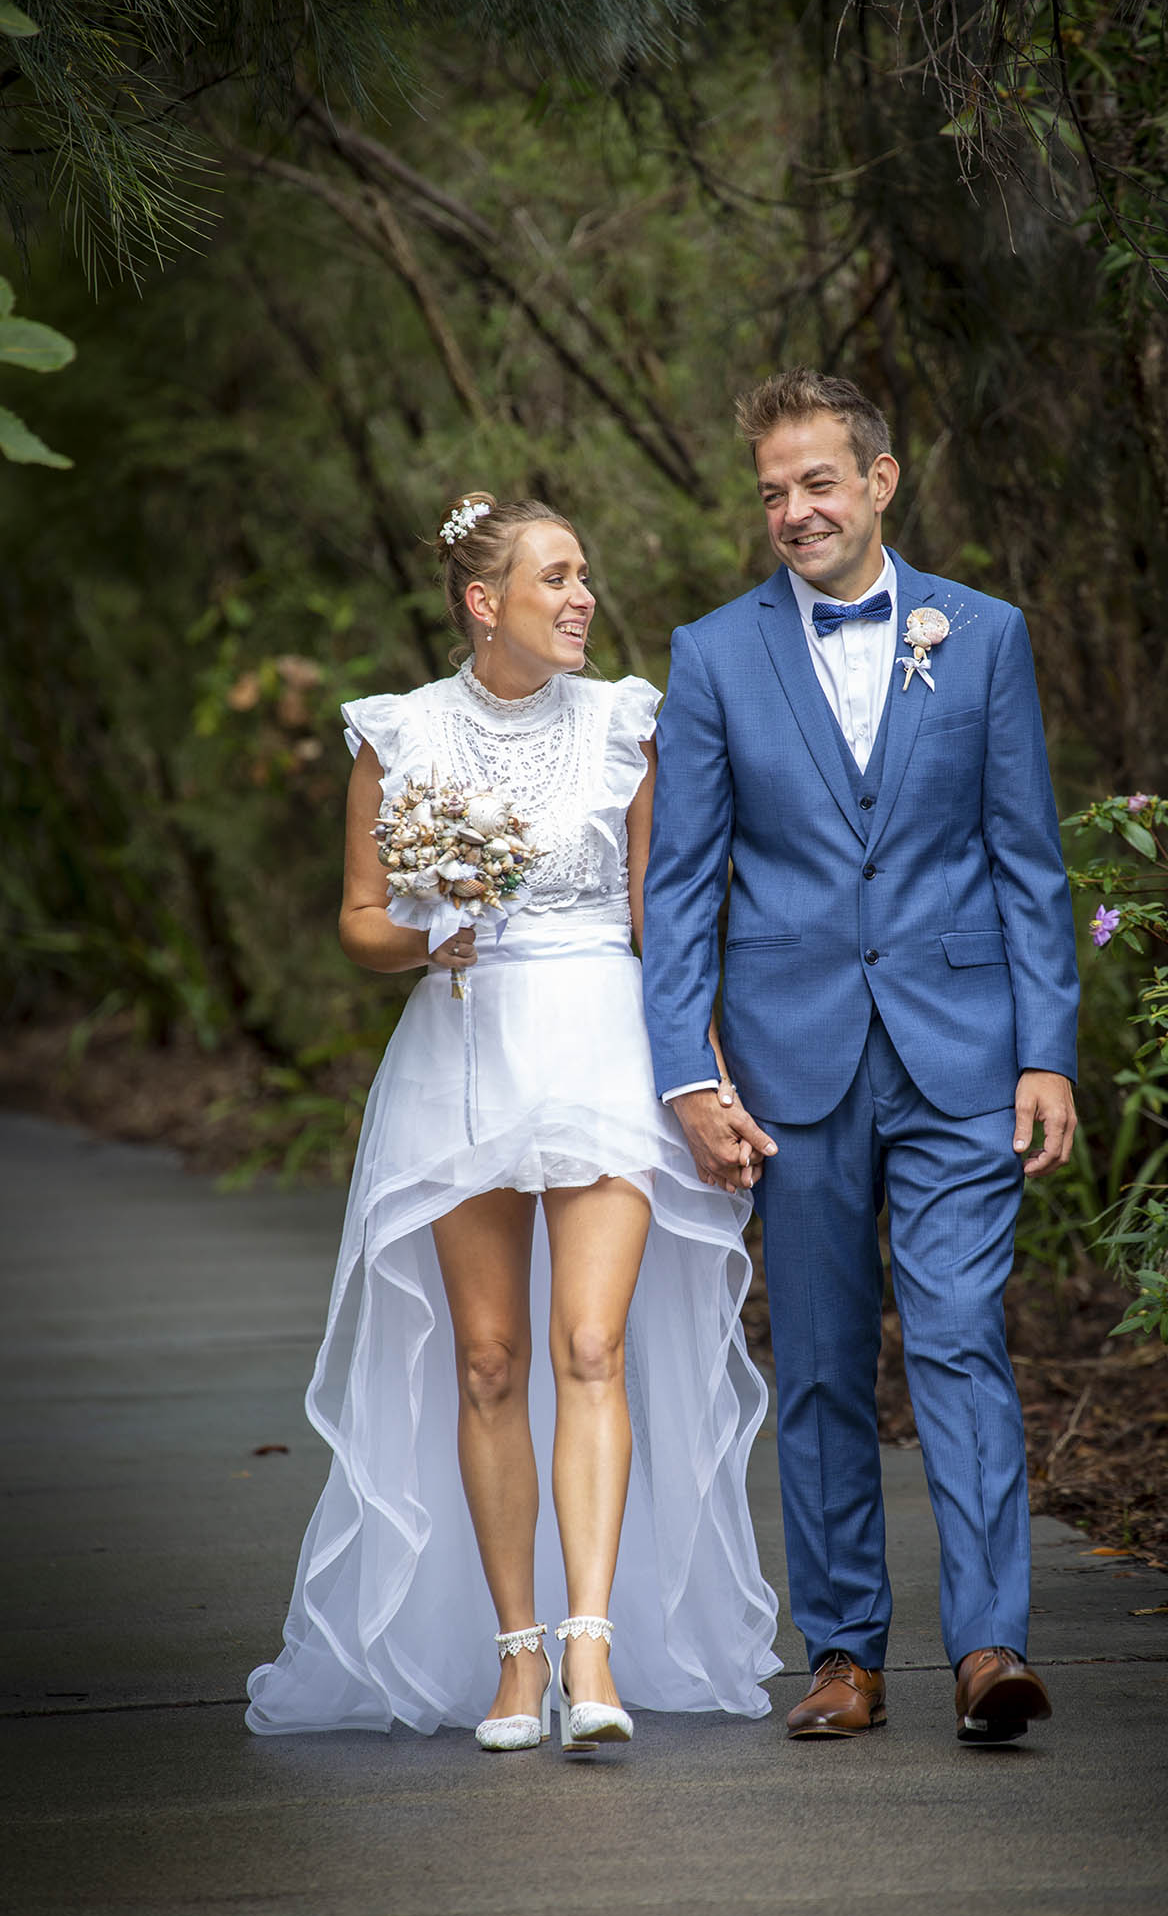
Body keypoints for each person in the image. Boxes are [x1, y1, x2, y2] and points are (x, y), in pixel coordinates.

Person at [246, 493, 779, 1751]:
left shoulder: (625, 721)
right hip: (466, 1050)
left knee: (591, 1343)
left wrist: (701, 1079)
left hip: (600, 1041)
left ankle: (594, 1645)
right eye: (557, 576)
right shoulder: (402, 732)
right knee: (488, 1360)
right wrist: (435, 926)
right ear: (486, 603)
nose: (584, 595)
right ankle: (516, 1655)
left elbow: (664, 918)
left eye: (586, 573)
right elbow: (362, 919)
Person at [642, 370, 1079, 1744]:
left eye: (817, 483)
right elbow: (680, 888)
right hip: (789, 1067)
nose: (792, 511)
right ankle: (840, 1653)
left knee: (956, 1337)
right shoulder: (711, 656)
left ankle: (988, 1647)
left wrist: (1047, 1050)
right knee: (824, 1362)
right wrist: (687, 1075)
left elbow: (1026, 860)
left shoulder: (984, 636)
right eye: (771, 491)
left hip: (961, 1056)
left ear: (880, 481)